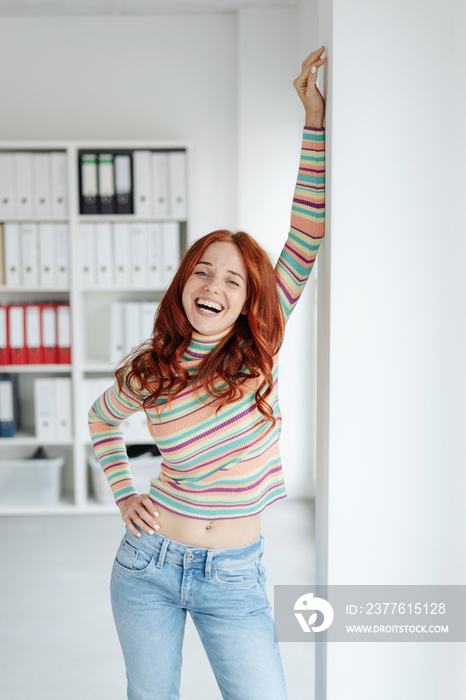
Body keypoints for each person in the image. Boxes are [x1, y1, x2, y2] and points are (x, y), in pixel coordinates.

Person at [88, 45, 327, 700]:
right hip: (147, 567)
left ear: (250, 299)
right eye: (203, 270)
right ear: (184, 282)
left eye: (232, 278)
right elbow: (101, 420)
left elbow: (305, 236)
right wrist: (124, 492)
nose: (213, 285)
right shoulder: (153, 368)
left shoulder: (257, 354)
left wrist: (314, 119)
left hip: (234, 576)